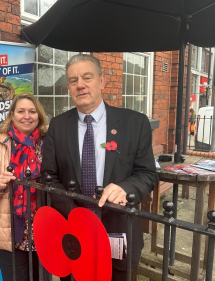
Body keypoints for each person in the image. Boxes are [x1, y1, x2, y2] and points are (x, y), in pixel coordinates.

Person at [41, 54, 158, 280]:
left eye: (87, 77)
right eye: (74, 80)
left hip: (118, 229)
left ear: (102, 81)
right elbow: (48, 176)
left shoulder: (135, 123)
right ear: (68, 87)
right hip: (73, 234)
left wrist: (127, 188)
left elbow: (147, 174)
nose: (81, 85)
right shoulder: (58, 125)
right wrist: (76, 214)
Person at [0, 93, 48, 281]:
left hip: (44, 228)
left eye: (32, 111)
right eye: (21, 111)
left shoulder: (48, 143)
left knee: (41, 277)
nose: (27, 116)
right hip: (9, 230)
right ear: (12, 115)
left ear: (38, 115)